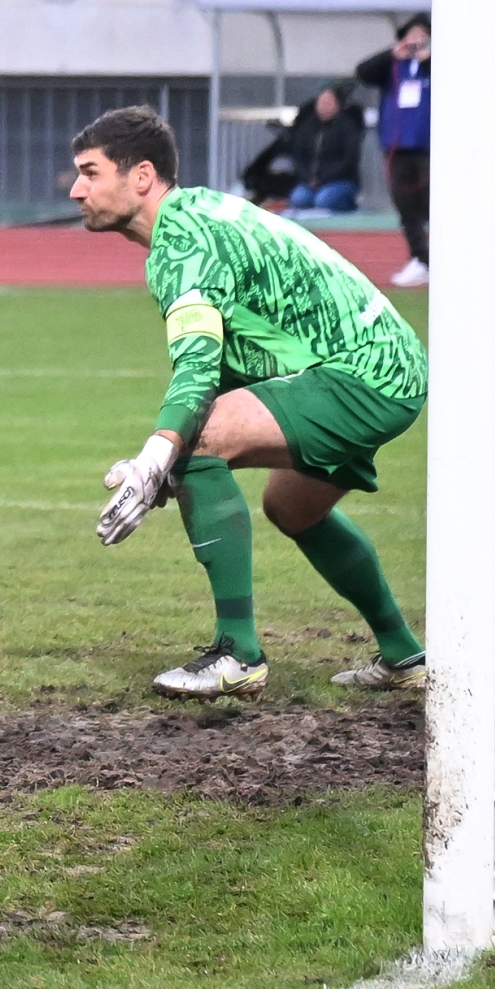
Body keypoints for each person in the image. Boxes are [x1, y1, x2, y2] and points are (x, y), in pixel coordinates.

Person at [70, 105, 429, 698]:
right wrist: (164, 458)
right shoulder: (199, 216)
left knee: (200, 443)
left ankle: (237, 655)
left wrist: (162, 453)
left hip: (360, 372)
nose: (77, 190)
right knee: (293, 509)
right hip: (384, 364)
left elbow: (197, 368)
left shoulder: (182, 242)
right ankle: (404, 655)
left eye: (90, 172)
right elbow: (236, 355)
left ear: (142, 176)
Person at [354, 15, 430, 287]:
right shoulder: (393, 67)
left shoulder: (438, 66)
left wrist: (429, 59)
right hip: (397, 147)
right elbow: (363, 73)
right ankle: (421, 258)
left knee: (434, 205)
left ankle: (444, 258)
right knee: (406, 208)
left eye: (422, 35)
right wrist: (391, 55)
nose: (416, 40)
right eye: (412, 34)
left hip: (429, 148)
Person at [282, 82, 365, 214]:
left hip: (340, 181)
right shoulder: (307, 128)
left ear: (338, 105)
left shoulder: (348, 127)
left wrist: (323, 178)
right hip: (309, 182)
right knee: (298, 199)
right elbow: (298, 157)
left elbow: (349, 160)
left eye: (328, 102)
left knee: (323, 200)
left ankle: (348, 204)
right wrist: (308, 177)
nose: (324, 106)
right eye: (321, 102)